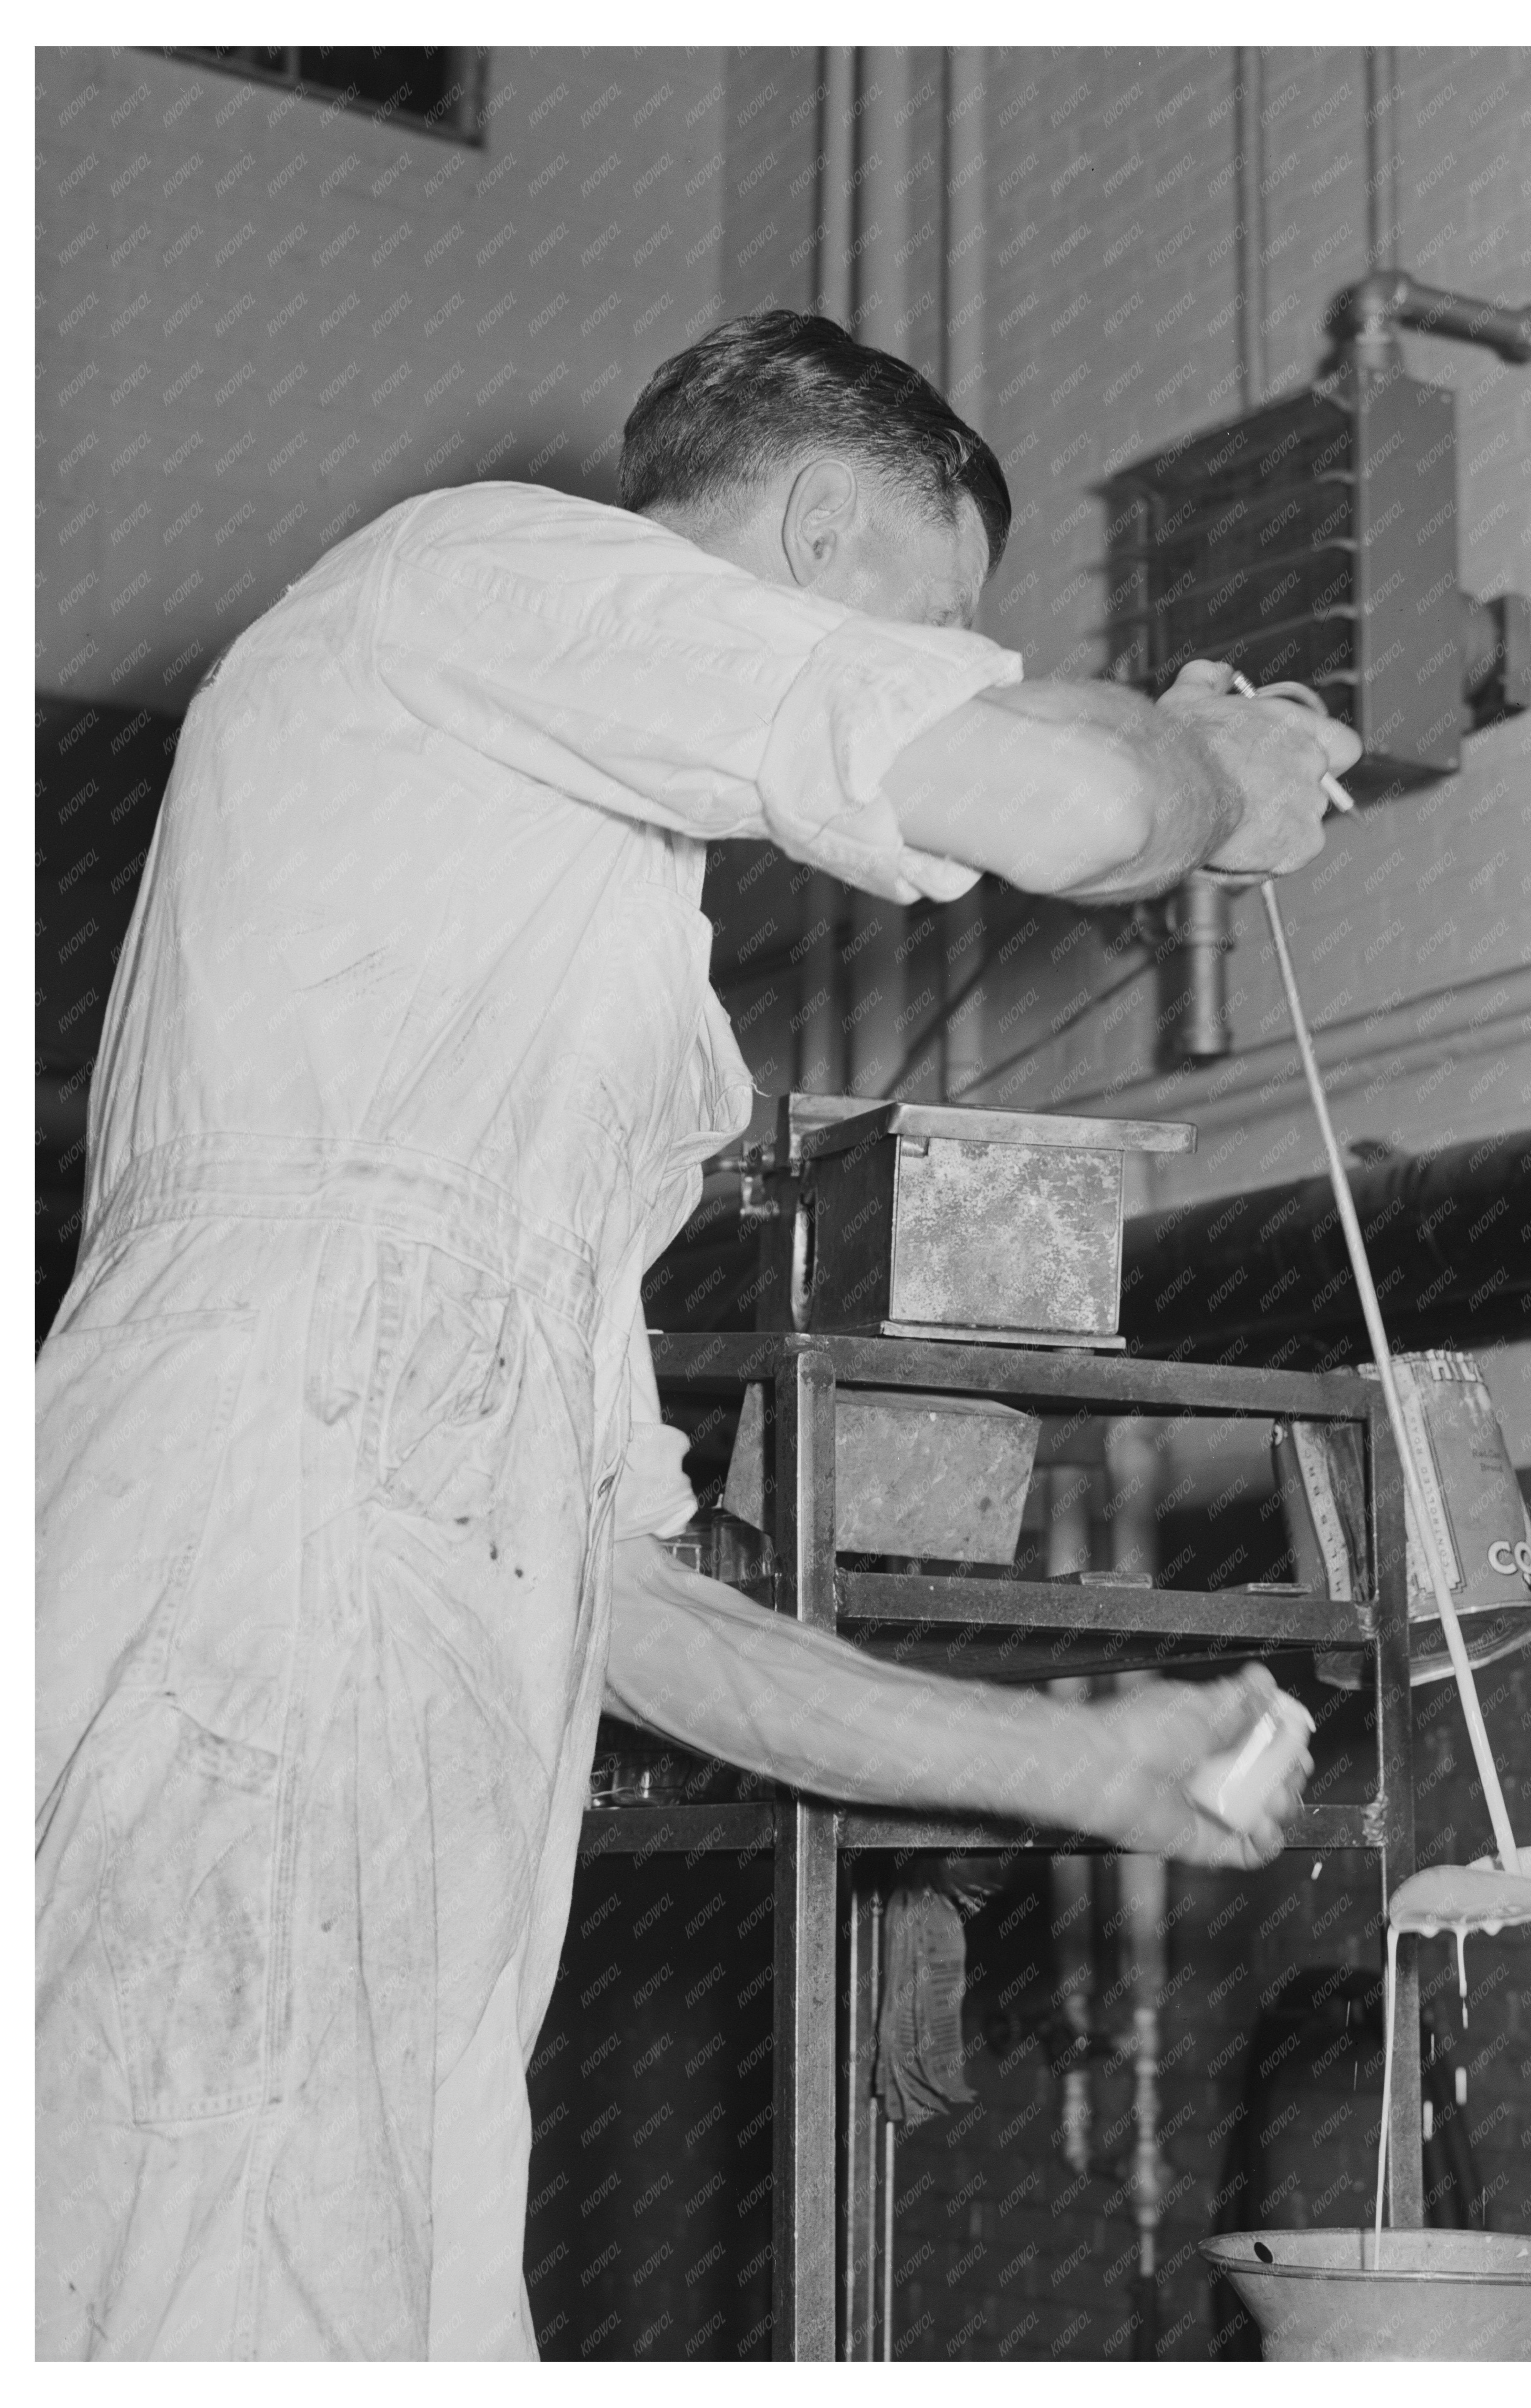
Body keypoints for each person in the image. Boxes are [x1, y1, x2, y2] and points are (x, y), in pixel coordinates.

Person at [35, 310, 1360, 2359]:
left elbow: (630, 1604)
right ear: (821, 522)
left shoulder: (540, 918)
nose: (937, 679)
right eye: (935, 628)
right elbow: (1086, 811)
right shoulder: (482, 576)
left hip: (375, 1673)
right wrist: (1218, 767)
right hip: (257, 1622)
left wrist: (1081, 1763)